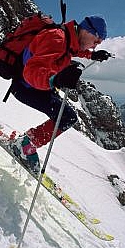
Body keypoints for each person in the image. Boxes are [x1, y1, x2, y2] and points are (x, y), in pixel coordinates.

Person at [10, 15, 110, 174]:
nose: (96, 45)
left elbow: (74, 49)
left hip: (35, 86)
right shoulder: (57, 39)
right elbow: (31, 71)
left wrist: (92, 55)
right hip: (26, 87)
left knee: (66, 116)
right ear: (86, 30)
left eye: (99, 43)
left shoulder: (68, 37)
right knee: (67, 117)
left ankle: (26, 143)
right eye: (97, 40)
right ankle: (24, 145)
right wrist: (55, 79)